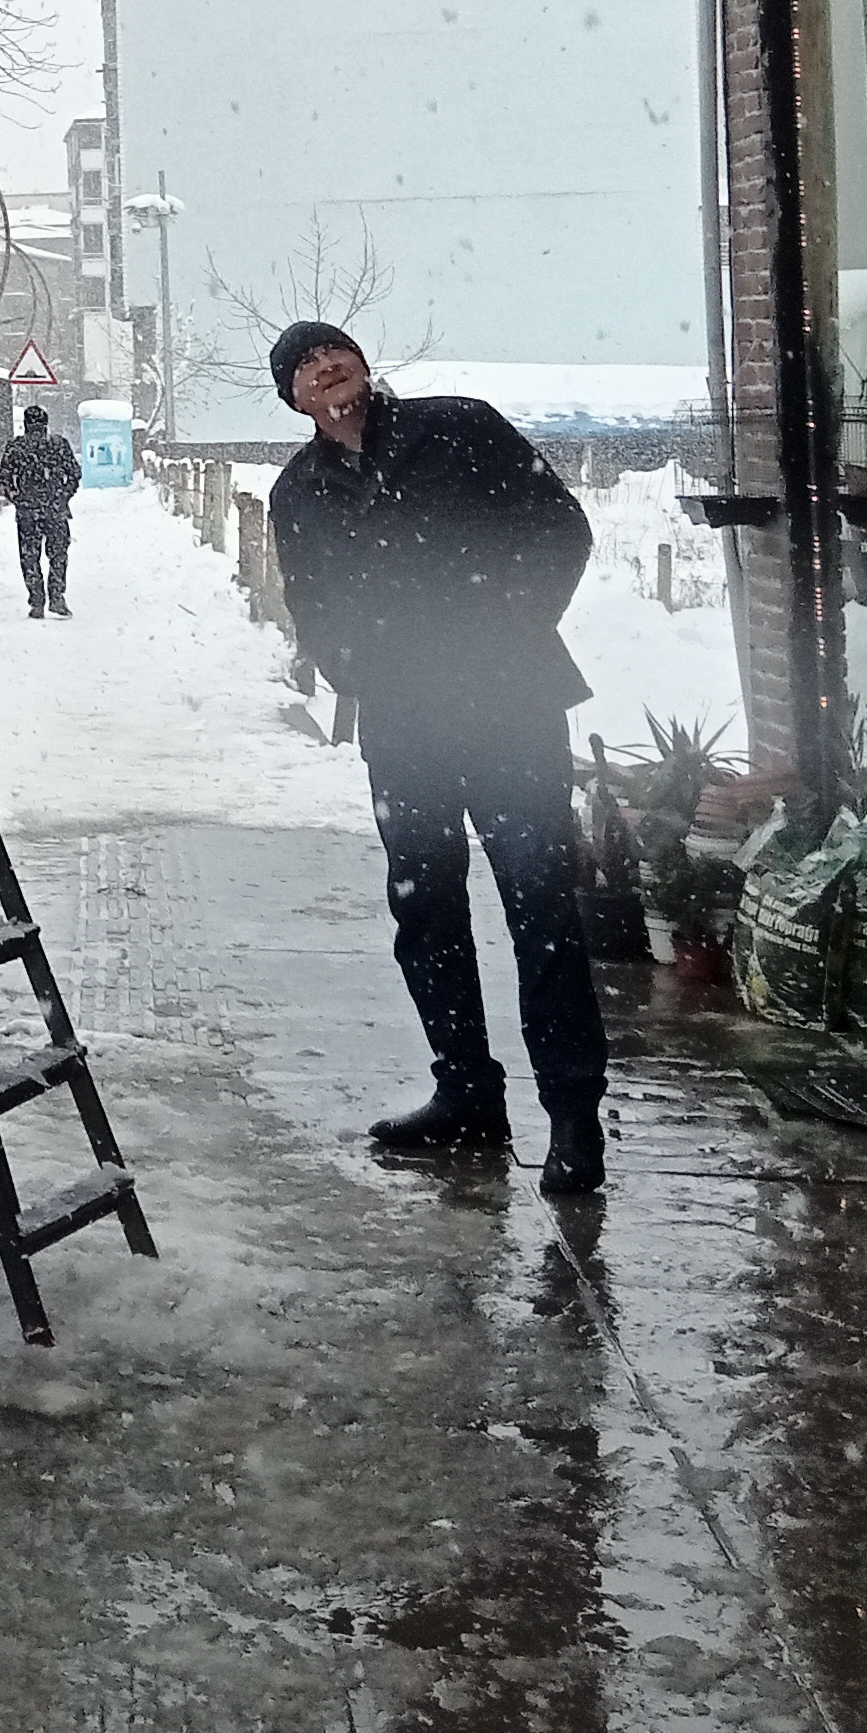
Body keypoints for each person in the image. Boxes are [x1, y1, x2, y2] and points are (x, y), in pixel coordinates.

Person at [259, 323, 610, 1200]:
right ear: (293, 398)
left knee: (540, 907)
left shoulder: (459, 427)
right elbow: (313, 604)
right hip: (404, 724)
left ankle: (573, 1115)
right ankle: (466, 1094)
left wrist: (504, 626)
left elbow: (562, 529)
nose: (324, 365)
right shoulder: (297, 493)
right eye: (304, 364)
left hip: (511, 707)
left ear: (364, 366)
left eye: (334, 350)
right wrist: (360, 665)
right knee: (426, 911)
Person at [0, 403, 81, 619]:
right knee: (58, 555)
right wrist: (63, 495)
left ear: (25, 425)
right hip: (55, 511)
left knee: (29, 556)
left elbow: (4, 479)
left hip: (28, 513)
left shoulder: (16, 447)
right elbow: (74, 474)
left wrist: (18, 499)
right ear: (46, 424)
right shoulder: (58, 444)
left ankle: (37, 601)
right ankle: (57, 597)